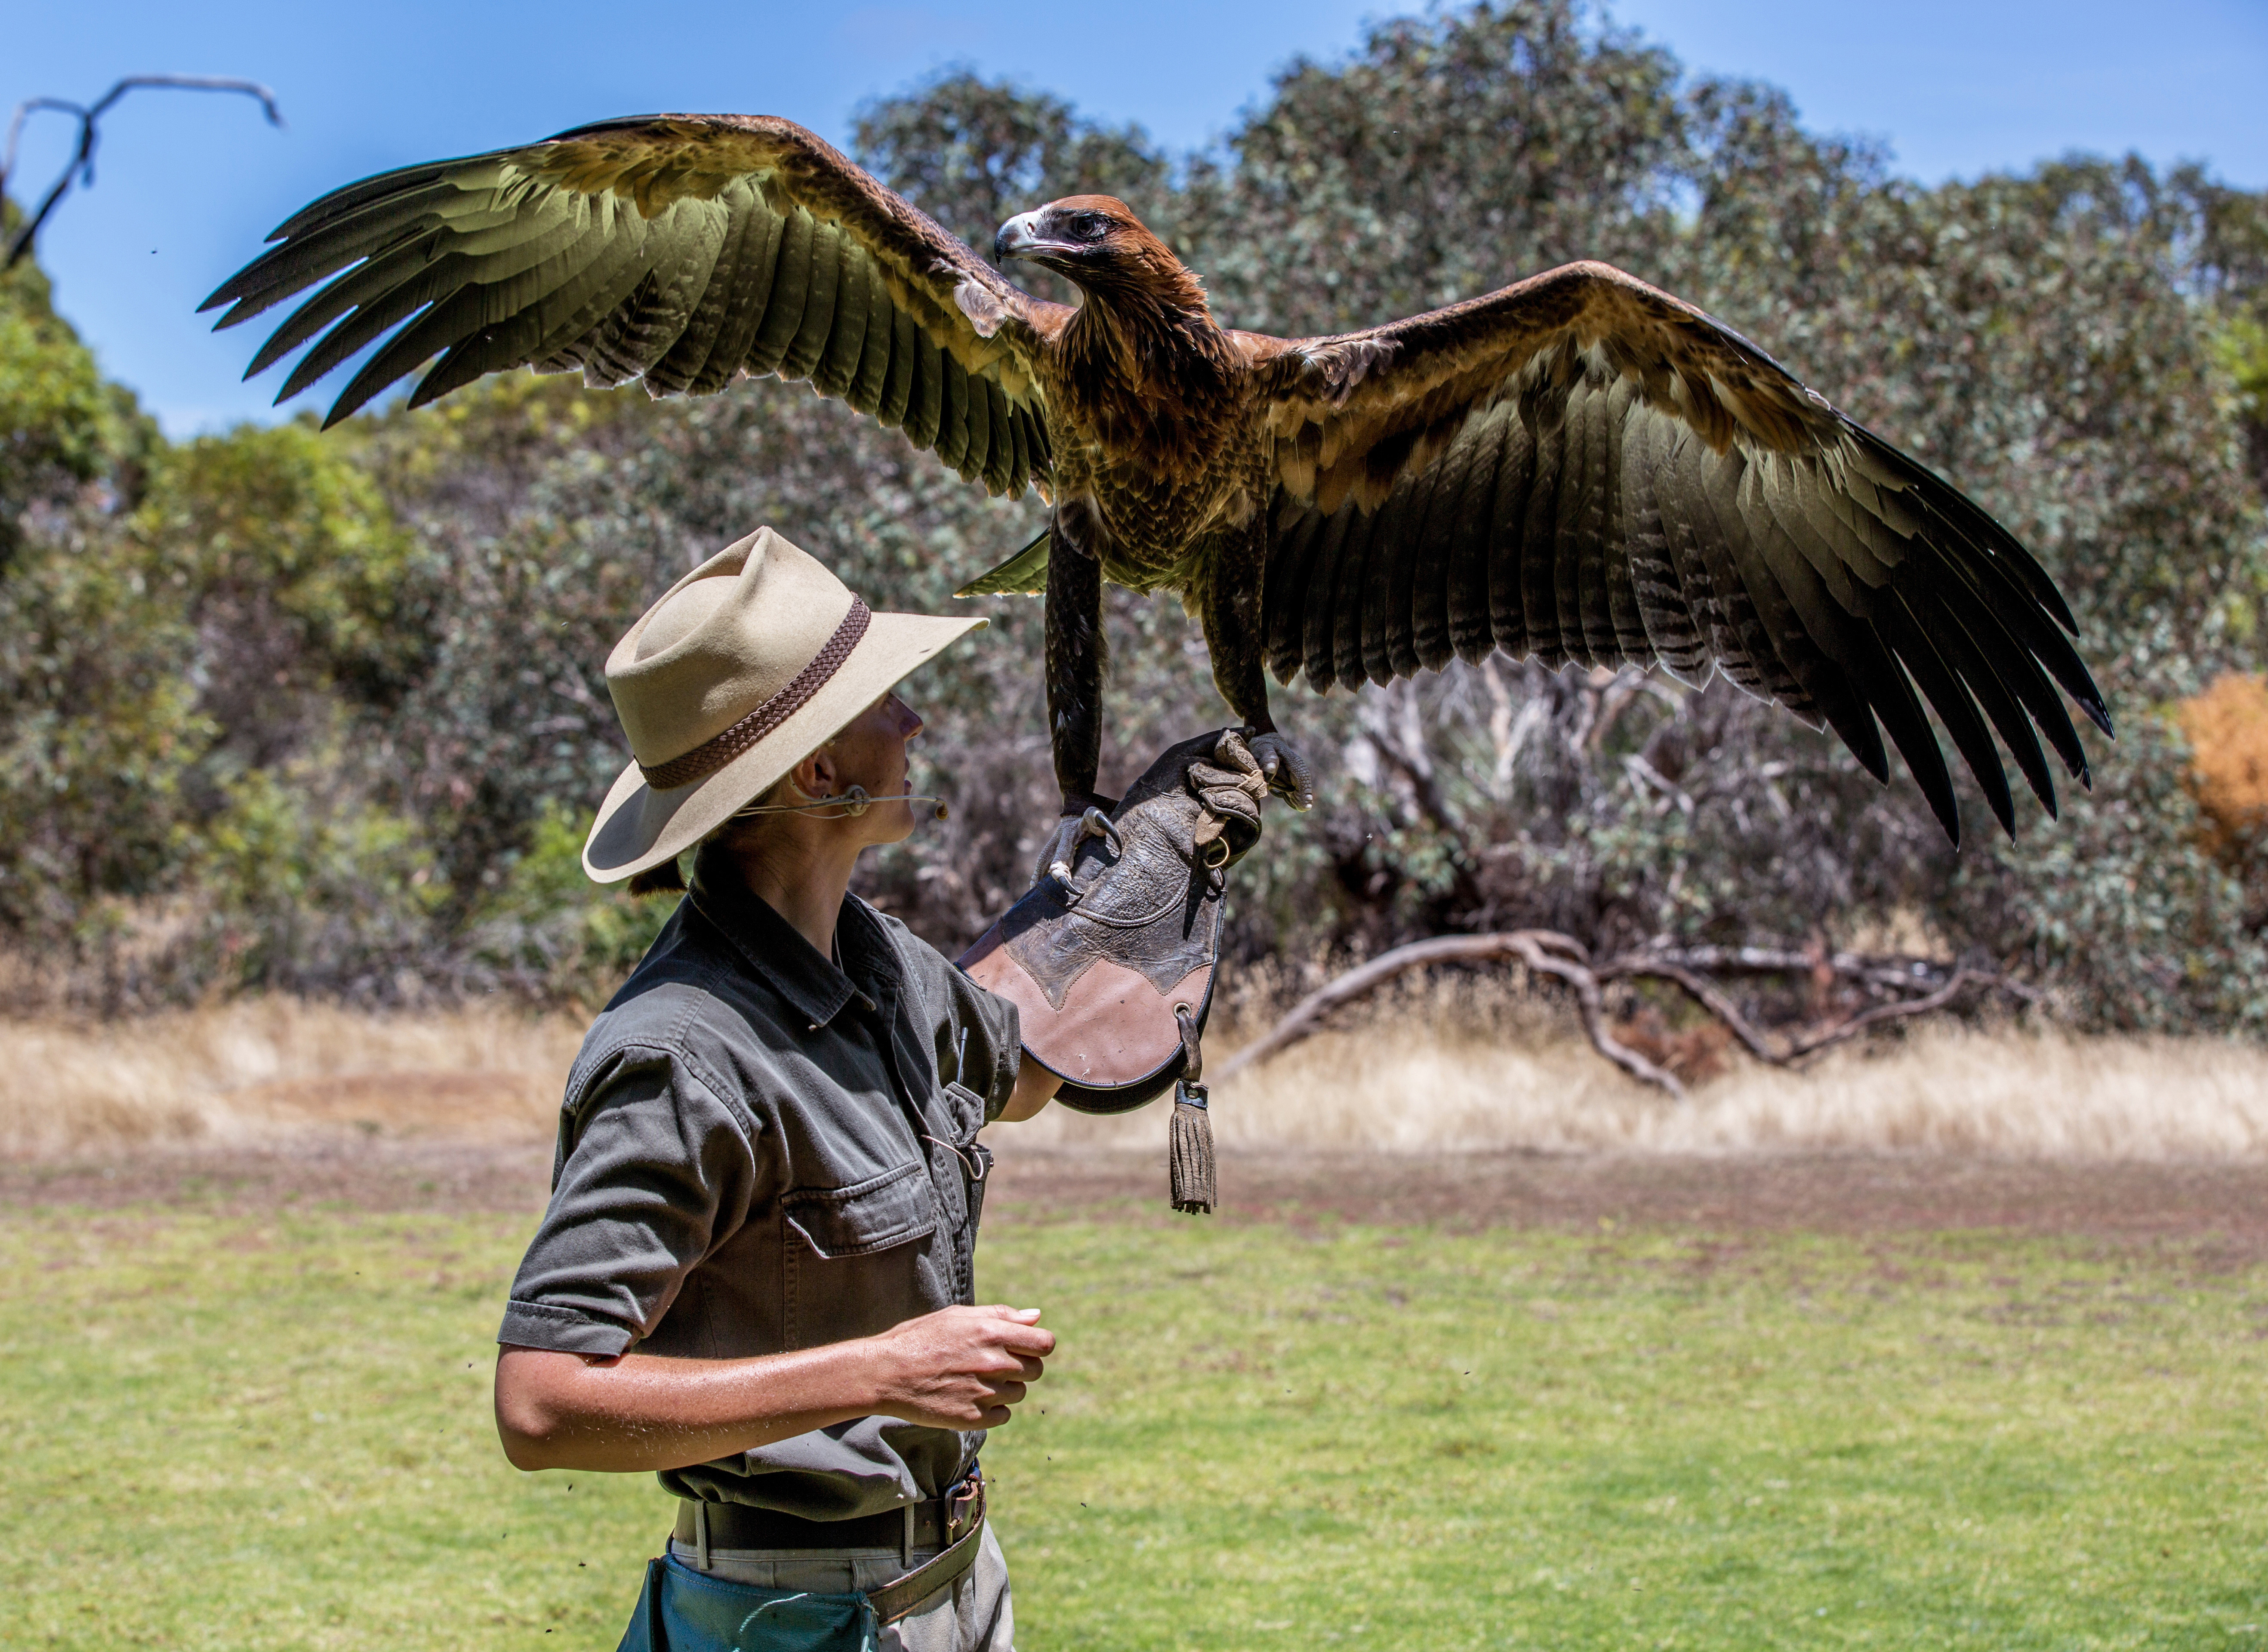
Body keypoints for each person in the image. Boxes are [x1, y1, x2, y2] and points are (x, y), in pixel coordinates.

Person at [492, 526, 1063, 1652]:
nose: (915, 724)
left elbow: (1029, 1073)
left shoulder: (882, 963)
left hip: (952, 1588)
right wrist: (883, 1371)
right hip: (784, 1621)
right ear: (818, 772)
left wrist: (1140, 878)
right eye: (885, 702)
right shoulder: (682, 1058)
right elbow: (540, 1402)